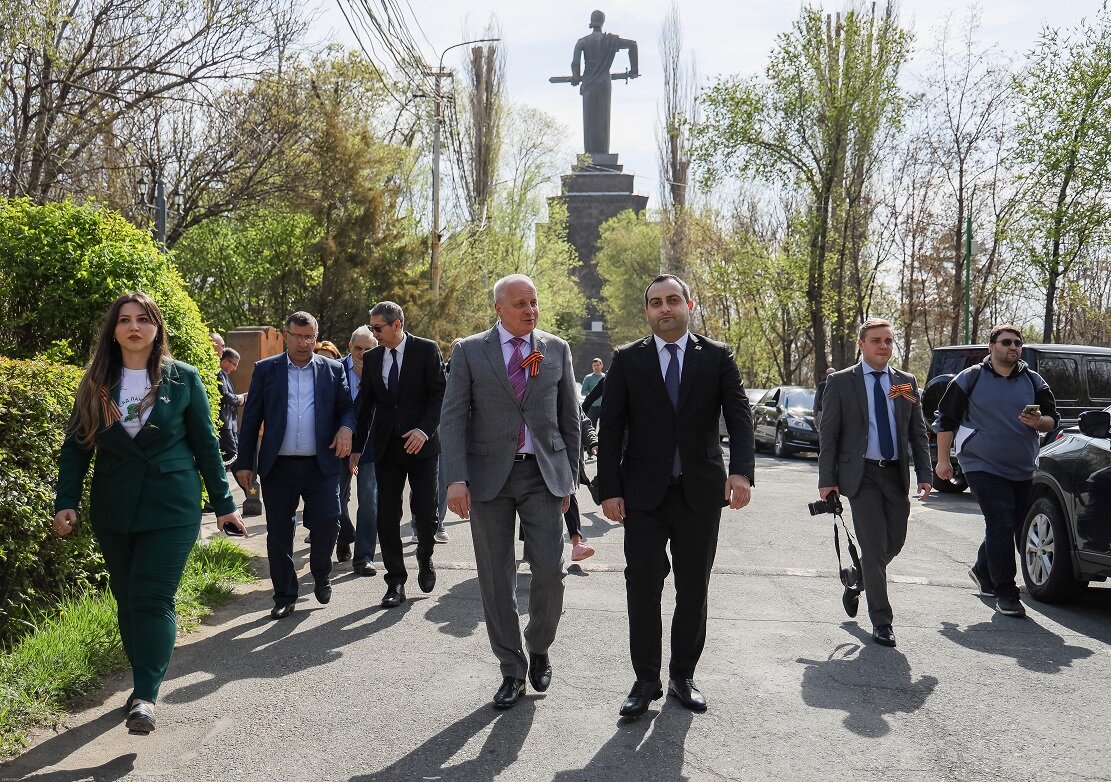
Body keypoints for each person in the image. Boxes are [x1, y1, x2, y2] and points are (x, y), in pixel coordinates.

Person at [53, 292, 247, 735]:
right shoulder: (96, 383)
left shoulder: (184, 379)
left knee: (153, 598)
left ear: (157, 328)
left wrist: (224, 506)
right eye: (124, 320)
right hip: (114, 507)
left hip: (171, 506)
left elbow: (205, 447)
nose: (134, 327)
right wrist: (67, 501)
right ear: (114, 330)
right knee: (126, 599)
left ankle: (145, 698)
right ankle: (145, 677)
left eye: (143, 319)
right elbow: (76, 447)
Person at [598, 273, 754, 719]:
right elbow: (611, 430)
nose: (663, 309)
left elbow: (739, 418)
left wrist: (741, 472)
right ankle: (645, 680)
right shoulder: (627, 360)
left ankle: (682, 675)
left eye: (671, 300)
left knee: (693, 589)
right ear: (647, 311)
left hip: (700, 494)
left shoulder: (718, 357)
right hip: (643, 496)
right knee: (642, 587)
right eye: (654, 303)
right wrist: (609, 489)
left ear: (689, 303)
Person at [441, 274, 580, 710]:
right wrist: (455, 478)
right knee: (496, 578)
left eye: (534, 302)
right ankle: (511, 669)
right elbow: (453, 417)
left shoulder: (555, 348)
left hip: (543, 474)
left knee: (550, 570)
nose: (530, 310)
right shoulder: (469, 351)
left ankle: (539, 646)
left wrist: (569, 479)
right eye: (520, 303)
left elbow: (569, 418)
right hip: (487, 479)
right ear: (499, 308)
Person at [817, 318, 932, 649]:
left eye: (889, 341)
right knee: (872, 545)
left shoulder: (903, 383)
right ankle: (882, 621)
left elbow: (915, 431)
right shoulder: (842, 382)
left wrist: (925, 474)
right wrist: (827, 480)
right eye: (877, 340)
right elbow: (830, 435)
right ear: (861, 343)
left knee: (892, 544)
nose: (884, 346)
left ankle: (856, 579)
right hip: (861, 475)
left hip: (895, 474)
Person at [233, 312, 354, 620]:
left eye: (310, 337)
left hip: (321, 465)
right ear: (286, 336)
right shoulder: (266, 370)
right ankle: (285, 595)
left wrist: (346, 429)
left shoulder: (332, 368)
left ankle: (320, 572)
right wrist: (245, 462)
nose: (304, 343)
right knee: (279, 533)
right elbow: (252, 419)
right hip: (279, 467)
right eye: (298, 336)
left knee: (329, 521)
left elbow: (348, 409)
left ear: (316, 336)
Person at [934, 324, 1058, 617]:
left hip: (1022, 466)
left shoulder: (1034, 380)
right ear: (991, 346)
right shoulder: (970, 377)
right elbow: (946, 420)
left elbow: (1053, 419)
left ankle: (981, 569)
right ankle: (1007, 592)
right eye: (1006, 342)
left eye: (1017, 343)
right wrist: (943, 460)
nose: (1012, 347)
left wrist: (1038, 423)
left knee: (1010, 524)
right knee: (1000, 520)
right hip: (980, 463)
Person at [350, 301, 446, 608]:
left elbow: (439, 395)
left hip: (422, 446)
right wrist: (356, 447)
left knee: (426, 510)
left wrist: (424, 430)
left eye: (378, 328)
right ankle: (395, 581)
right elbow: (365, 404)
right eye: (371, 328)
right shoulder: (374, 357)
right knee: (387, 515)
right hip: (387, 449)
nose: (373, 334)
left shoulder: (426, 350)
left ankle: (425, 557)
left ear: (397, 325)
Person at [339, 325, 379, 574]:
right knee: (336, 500)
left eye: (368, 349)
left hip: (372, 446)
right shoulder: (335, 370)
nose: (363, 354)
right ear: (349, 347)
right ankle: (344, 534)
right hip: (340, 444)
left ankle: (364, 556)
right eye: (358, 348)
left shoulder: (383, 370)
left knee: (369, 500)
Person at [570, 10, 639, 156]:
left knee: (590, 119)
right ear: (602, 22)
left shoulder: (582, 41)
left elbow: (575, 64)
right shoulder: (610, 40)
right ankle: (602, 153)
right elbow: (633, 45)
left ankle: (590, 154)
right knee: (603, 119)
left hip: (589, 84)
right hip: (603, 84)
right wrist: (634, 70)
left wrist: (576, 77)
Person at [434, 338, 467, 542]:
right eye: (456, 350)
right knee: (435, 481)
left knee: (448, 480)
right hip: (435, 434)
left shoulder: (472, 373)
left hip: (459, 437)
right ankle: (425, 524)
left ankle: (439, 522)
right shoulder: (441, 372)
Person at [217, 348, 246, 465]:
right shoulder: (218, 373)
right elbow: (225, 396)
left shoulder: (224, 374)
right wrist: (240, 399)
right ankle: (247, 482)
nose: (235, 368)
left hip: (230, 424)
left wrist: (240, 397)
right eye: (234, 364)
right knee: (232, 456)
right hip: (224, 424)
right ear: (225, 361)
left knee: (233, 456)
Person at [580, 357, 605, 447]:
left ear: (602, 365)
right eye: (594, 365)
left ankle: (602, 446)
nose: (596, 367)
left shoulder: (605, 377)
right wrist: (593, 394)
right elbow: (583, 391)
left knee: (604, 427)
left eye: (598, 365)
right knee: (591, 427)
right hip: (592, 407)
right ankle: (591, 450)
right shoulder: (588, 378)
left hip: (604, 407)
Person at [814, 366, 835, 430]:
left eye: (832, 373)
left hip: (833, 412)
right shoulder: (821, 385)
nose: (830, 375)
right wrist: (815, 413)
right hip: (821, 411)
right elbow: (817, 399)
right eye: (828, 374)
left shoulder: (838, 385)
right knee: (821, 430)